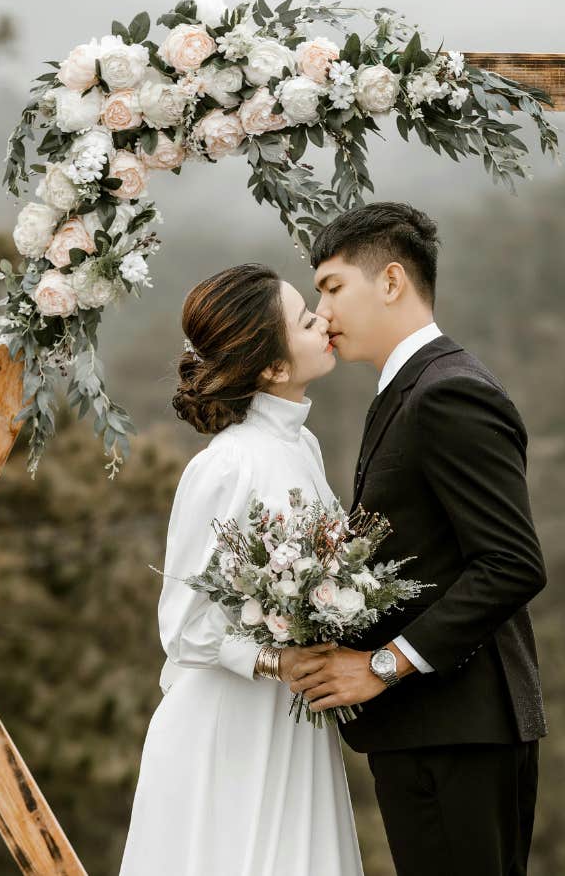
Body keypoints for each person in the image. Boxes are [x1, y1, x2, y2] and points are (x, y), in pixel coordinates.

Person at [289, 201, 549, 876]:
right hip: (431, 731)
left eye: (333, 287)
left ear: (393, 281)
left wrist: (382, 666)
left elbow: (512, 564)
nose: (323, 313)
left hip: (462, 729)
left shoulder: (448, 392)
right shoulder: (404, 390)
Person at [118, 263, 364, 876]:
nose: (324, 321)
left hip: (292, 720)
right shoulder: (225, 466)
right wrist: (275, 659)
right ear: (272, 367)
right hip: (228, 727)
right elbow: (180, 626)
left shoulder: (302, 446)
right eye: (307, 320)